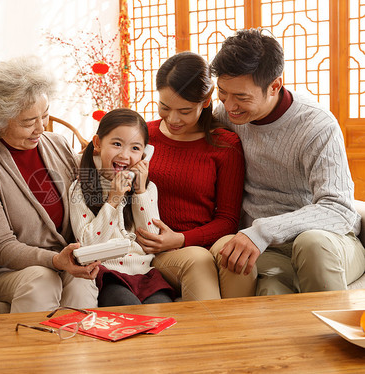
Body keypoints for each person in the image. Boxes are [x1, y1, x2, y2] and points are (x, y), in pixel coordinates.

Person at [210, 28, 365, 295]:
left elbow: (338, 208)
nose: (230, 105)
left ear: (274, 86)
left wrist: (262, 231)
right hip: (269, 249)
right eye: (223, 92)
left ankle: (334, 334)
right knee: (269, 292)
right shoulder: (225, 115)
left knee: (312, 244)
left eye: (242, 97)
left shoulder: (316, 125)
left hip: (329, 241)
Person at [0, 56, 99, 313]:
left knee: (82, 284)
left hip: (65, 260)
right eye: (27, 122)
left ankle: (79, 352)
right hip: (8, 270)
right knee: (42, 280)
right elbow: (3, 248)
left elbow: (88, 195)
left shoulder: (57, 144)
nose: (40, 128)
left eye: (44, 116)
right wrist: (55, 260)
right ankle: (33, 353)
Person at [135, 51, 257, 301]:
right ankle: (210, 340)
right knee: (197, 260)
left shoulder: (225, 144)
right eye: (164, 107)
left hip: (200, 240)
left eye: (185, 110)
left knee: (238, 255)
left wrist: (181, 239)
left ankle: (241, 336)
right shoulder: (141, 136)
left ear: (206, 101)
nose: (173, 119)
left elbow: (227, 220)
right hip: (155, 249)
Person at [69, 108, 174, 306]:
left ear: (145, 153)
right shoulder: (81, 187)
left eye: (135, 148)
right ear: (98, 144)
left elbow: (151, 239)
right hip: (107, 275)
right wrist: (114, 199)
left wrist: (141, 191)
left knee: (162, 311)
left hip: (144, 273)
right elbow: (89, 244)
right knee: (131, 309)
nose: (125, 155)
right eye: (117, 144)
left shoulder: (148, 188)